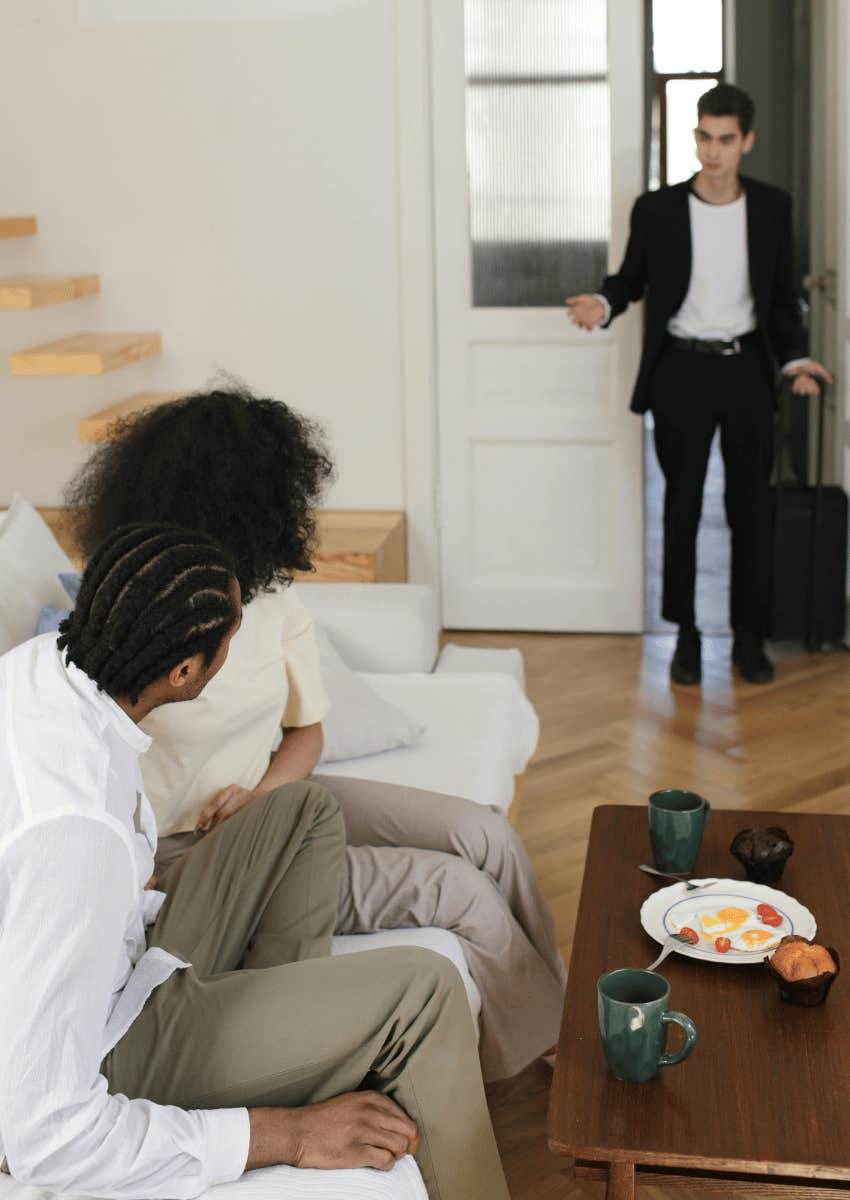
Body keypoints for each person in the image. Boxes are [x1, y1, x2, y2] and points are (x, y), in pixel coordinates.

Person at [63, 386, 566, 1084]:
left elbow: (307, 730)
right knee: (463, 893)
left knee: (487, 837)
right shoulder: (134, 616)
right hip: (194, 856)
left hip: (282, 799)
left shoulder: (268, 597)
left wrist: (263, 791)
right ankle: (531, 1056)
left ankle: (558, 1023)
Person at [0, 522, 509, 1200]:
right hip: (107, 1046)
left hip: (123, 964)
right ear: (185, 672)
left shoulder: (41, 667)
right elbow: (44, 1135)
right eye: (230, 645)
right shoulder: (74, 834)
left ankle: (294, 1040)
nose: (233, 656)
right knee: (425, 986)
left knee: (301, 812)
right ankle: (317, 1059)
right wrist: (286, 1134)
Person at [566, 83, 833, 686]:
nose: (713, 152)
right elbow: (630, 280)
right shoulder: (657, 209)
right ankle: (686, 635)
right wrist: (603, 305)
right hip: (681, 373)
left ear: (747, 142)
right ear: (695, 137)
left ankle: (748, 636)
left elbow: (783, 300)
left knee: (750, 510)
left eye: (726, 140)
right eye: (704, 138)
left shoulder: (772, 207)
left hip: (745, 371)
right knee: (681, 507)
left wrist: (795, 362)